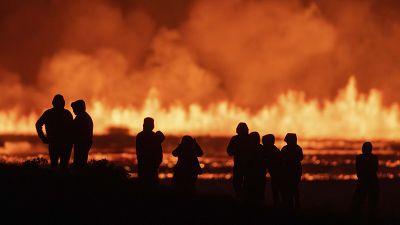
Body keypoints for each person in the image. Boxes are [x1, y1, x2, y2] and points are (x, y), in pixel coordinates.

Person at [36, 94, 73, 171]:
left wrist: (43, 137)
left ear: (53, 103)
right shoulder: (67, 114)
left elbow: (38, 124)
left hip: (55, 143)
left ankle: (54, 181)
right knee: (64, 166)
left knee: (54, 166)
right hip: (65, 144)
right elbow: (72, 129)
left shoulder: (48, 113)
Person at [352, 142, 379, 218]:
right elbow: (375, 169)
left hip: (368, 181)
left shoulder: (361, 158)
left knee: (370, 202)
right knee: (359, 201)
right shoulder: (372, 158)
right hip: (367, 181)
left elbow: (374, 169)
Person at [136, 117, 164, 187]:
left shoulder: (140, 135)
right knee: (152, 184)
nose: (153, 126)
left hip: (144, 165)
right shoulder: (153, 136)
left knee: (144, 184)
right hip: (150, 165)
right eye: (151, 124)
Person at [227, 122, 250, 197]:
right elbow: (229, 151)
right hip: (247, 165)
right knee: (245, 184)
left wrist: (236, 151)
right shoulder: (250, 138)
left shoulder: (235, 139)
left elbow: (229, 152)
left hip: (239, 165)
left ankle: (241, 198)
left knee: (237, 184)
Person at [280, 133, 303, 210]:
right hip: (295, 171)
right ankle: (295, 205)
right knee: (294, 189)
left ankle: (290, 206)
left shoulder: (285, 149)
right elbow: (300, 158)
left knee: (290, 189)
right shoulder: (298, 148)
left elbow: (281, 159)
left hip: (290, 171)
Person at [243, 131, 266, 203]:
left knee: (250, 193)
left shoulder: (248, 149)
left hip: (252, 174)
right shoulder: (262, 148)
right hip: (259, 174)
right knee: (259, 194)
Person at [71, 100, 93, 168]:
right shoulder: (82, 116)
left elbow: (74, 129)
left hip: (82, 143)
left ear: (79, 108)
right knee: (80, 162)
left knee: (79, 163)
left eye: (74, 108)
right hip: (83, 143)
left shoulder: (81, 118)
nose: (73, 110)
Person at [262, 134, 282, 208]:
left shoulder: (273, 151)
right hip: (275, 174)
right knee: (276, 190)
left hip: (278, 174)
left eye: (264, 142)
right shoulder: (272, 150)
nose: (263, 144)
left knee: (277, 190)